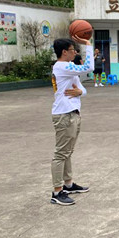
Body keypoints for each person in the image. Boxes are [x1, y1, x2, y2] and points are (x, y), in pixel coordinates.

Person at [50, 36, 93, 205]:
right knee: (61, 153)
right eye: (73, 50)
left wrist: (80, 92)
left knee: (68, 152)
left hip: (72, 113)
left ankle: (68, 184)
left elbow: (82, 88)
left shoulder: (69, 68)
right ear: (64, 52)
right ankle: (57, 191)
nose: (75, 52)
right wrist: (88, 45)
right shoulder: (61, 66)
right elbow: (89, 67)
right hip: (64, 115)